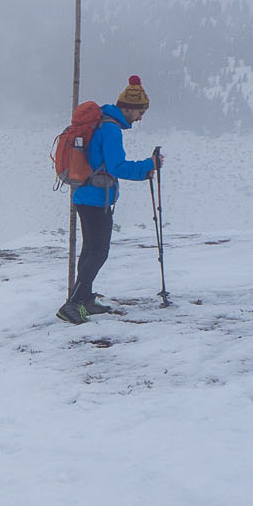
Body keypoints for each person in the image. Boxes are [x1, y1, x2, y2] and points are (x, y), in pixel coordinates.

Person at [58, 76, 163, 325]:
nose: (140, 117)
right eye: (139, 111)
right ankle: (72, 304)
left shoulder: (103, 123)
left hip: (87, 194)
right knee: (98, 252)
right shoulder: (111, 129)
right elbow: (116, 167)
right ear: (127, 108)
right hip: (95, 198)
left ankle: (84, 300)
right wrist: (149, 166)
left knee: (91, 250)